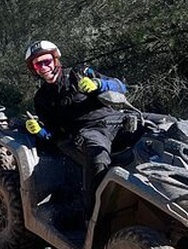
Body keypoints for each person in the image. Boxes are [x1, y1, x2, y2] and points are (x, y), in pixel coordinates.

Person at [23, 40, 128, 222]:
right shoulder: (42, 98)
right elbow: (52, 133)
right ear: (34, 69)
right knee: (98, 157)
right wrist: (40, 131)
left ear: (55, 60)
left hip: (116, 120)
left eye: (47, 61)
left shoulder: (80, 74)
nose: (44, 67)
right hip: (89, 132)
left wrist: (99, 84)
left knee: (165, 127)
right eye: (38, 64)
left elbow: (121, 86)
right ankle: (94, 218)